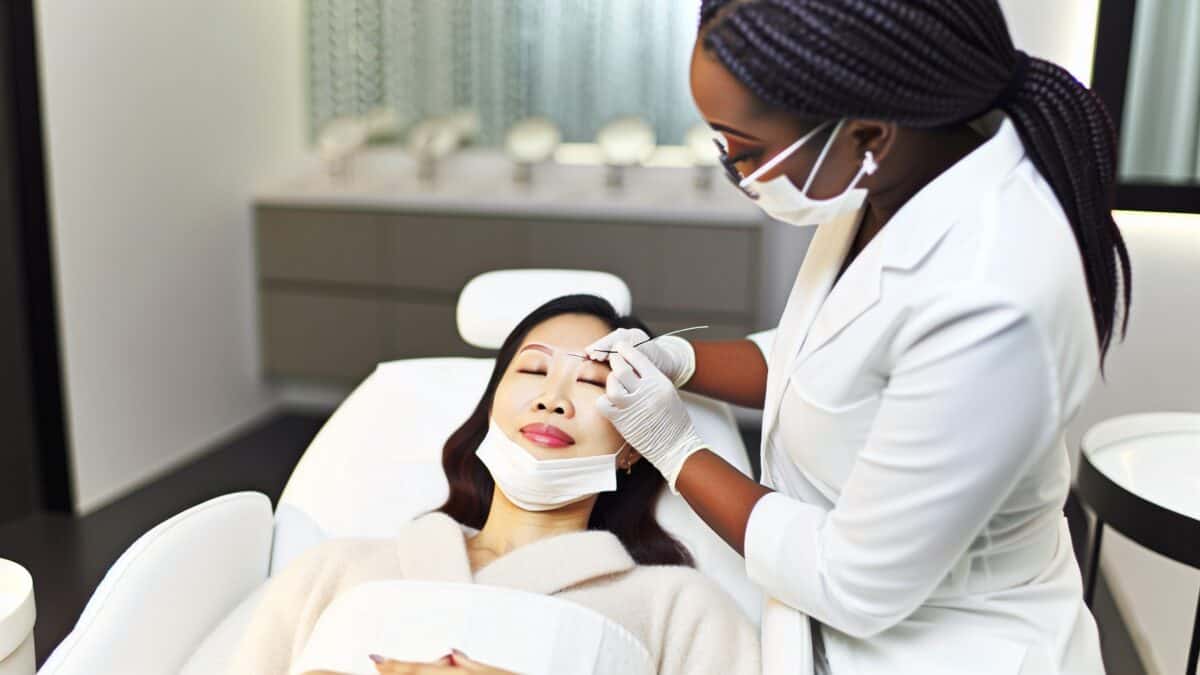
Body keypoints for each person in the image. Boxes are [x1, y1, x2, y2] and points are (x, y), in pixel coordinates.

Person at [586, 1, 1129, 673]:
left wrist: (674, 445)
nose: (734, 169)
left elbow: (852, 580)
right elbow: (821, 358)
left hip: (942, 646)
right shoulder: (892, 181)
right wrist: (682, 359)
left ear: (869, 136)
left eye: (744, 151)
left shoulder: (995, 297)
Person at [227, 295, 759, 675]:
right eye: (531, 372)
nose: (553, 399)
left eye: (594, 382)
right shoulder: (334, 570)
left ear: (632, 446)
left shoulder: (678, 608)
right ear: (487, 413)